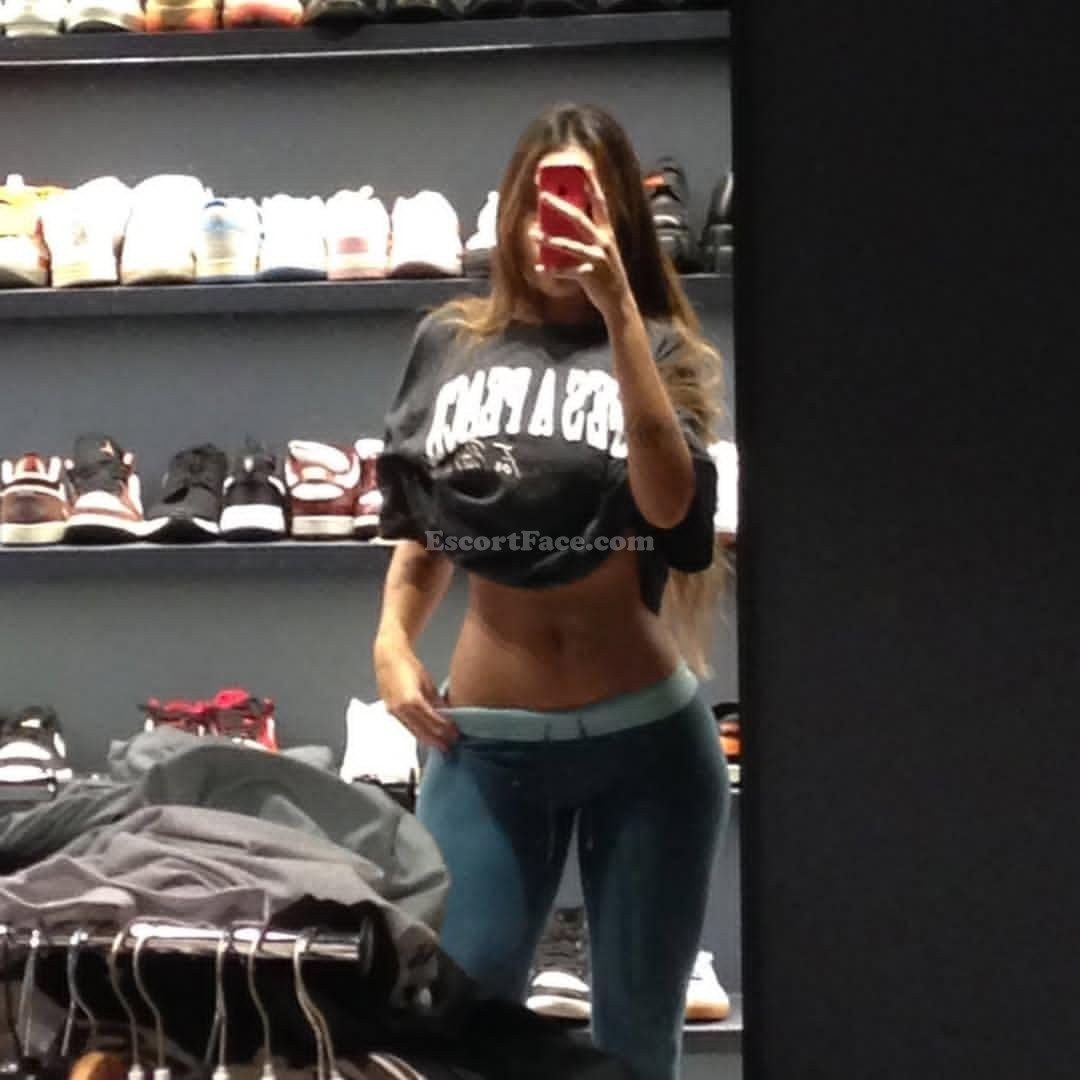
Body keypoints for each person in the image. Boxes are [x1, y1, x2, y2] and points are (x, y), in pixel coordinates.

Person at [373, 102, 731, 1080]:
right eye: (536, 202)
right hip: (488, 751)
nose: (550, 226)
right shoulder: (450, 343)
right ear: (509, 212)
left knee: (636, 1043)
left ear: (617, 221)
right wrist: (393, 641)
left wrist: (619, 314)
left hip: (649, 747)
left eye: (578, 204)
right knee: (456, 1030)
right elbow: (422, 524)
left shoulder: (660, 350)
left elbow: (669, 510)